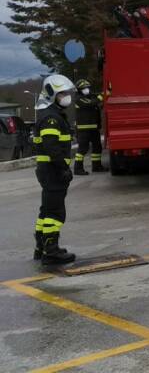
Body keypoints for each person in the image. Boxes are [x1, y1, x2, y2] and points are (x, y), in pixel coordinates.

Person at [32, 74, 77, 265]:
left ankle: (40, 248)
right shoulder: (51, 117)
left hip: (47, 170)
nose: (66, 96)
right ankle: (51, 251)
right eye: (62, 93)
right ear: (52, 94)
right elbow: (52, 147)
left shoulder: (50, 114)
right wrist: (63, 168)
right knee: (55, 212)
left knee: (46, 210)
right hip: (53, 170)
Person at [73, 79, 107, 175]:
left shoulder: (90, 96)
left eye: (87, 87)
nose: (86, 90)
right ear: (79, 90)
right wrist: (103, 95)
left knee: (97, 148)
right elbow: (91, 103)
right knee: (83, 149)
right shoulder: (78, 99)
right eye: (84, 88)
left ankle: (97, 166)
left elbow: (95, 102)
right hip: (83, 130)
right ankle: (77, 169)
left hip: (93, 128)